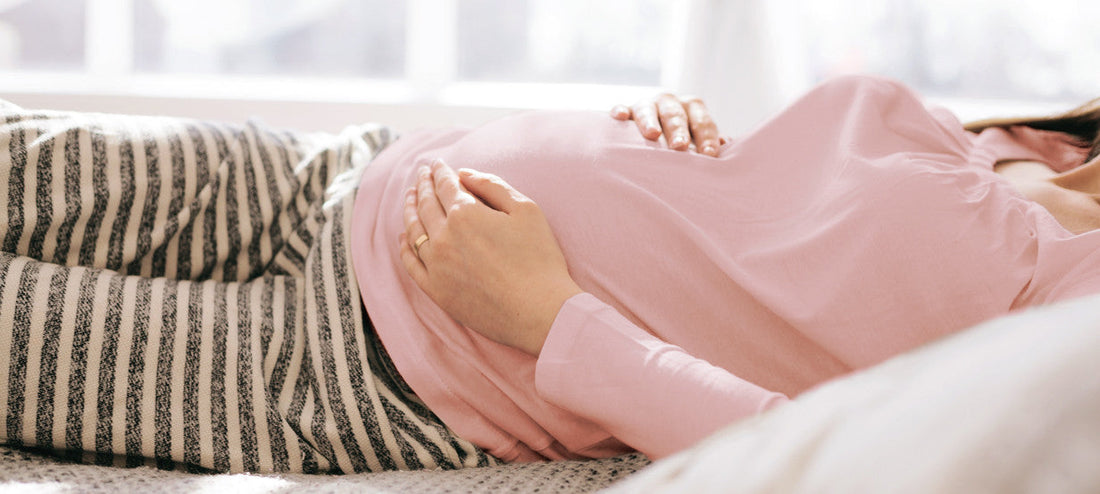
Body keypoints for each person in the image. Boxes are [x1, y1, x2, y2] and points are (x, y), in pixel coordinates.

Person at [3, 75, 1099, 474]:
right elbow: (782, 227)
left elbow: (829, 457)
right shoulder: (1053, 139)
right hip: (343, 176)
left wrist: (552, 316)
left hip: (378, 365)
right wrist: (668, 117)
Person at [357, 74, 1100, 463]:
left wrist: (553, 321)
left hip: (401, 358)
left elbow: (849, 462)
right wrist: (670, 135)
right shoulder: (1056, 142)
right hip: (369, 170)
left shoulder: (1082, 312)